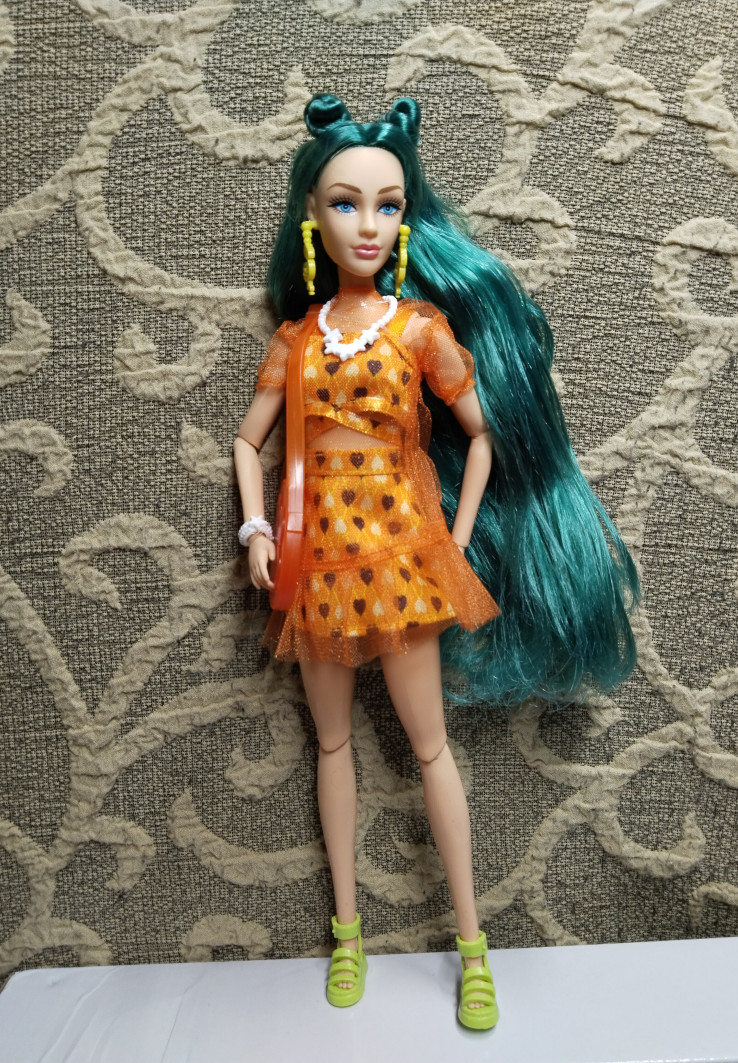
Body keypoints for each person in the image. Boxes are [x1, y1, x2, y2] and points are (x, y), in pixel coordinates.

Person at [233, 94, 640, 1031]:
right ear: (312, 217)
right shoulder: (298, 340)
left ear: (406, 218)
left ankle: (472, 943)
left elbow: (481, 435)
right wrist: (256, 529)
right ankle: (347, 933)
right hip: (317, 566)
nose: (367, 224)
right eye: (345, 203)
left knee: (429, 746)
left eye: (387, 205)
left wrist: (453, 540)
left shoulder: (417, 329)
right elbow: (246, 441)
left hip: (397, 559)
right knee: (331, 744)